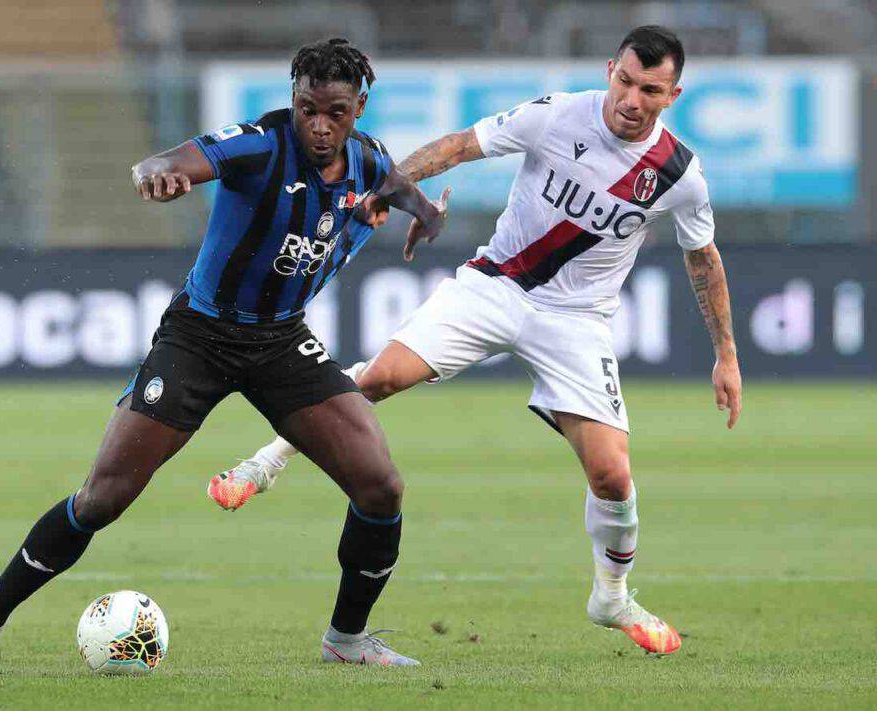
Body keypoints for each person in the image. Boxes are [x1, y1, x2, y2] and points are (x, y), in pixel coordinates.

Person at [207, 26, 743, 656]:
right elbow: (463, 146)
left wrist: (726, 356)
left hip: (577, 321)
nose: (631, 99)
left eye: (649, 89)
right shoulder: (556, 115)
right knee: (380, 377)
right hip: (495, 285)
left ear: (672, 94)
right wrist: (389, 190)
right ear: (610, 70)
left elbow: (703, 259)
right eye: (624, 81)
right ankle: (264, 463)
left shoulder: (680, 174)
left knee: (612, 475)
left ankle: (612, 596)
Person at [0, 38, 449, 668]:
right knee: (103, 498)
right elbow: (164, 162)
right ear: (293, 100)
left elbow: (400, 187)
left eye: (335, 111)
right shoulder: (260, 144)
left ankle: (347, 639)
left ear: (359, 106)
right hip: (199, 336)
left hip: (281, 340)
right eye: (308, 108)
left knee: (380, 487)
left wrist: (424, 215)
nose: (320, 125)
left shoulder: (368, 159)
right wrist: (159, 177)